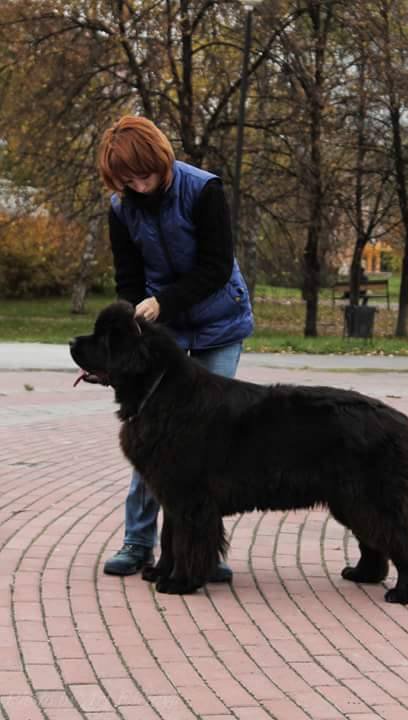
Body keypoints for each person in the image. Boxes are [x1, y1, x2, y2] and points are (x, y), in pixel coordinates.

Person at [97, 115, 254, 581]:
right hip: (159, 330)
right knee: (152, 436)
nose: (139, 187)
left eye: (144, 175)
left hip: (218, 324)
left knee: (210, 442)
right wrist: (132, 319)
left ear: (161, 160)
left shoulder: (203, 190)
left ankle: (203, 550)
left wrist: (162, 303)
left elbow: (216, 267)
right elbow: (127, 276)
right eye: (127, 180)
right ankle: (137, 542)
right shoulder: (121, 207)